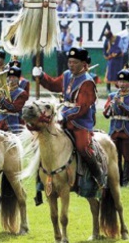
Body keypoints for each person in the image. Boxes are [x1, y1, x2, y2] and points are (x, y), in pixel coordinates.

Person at [32, 47, 104, 186]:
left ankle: (98, 174)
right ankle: (41, 179)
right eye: (69, 62)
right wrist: (41, 76)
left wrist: (63, 116)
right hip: (62, 117)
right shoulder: (66, 75)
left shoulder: (87, 82)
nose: (71, 65)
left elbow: (81, 108)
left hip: (80, 122)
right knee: (43, 139)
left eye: (74, 62)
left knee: (83, 147)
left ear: (83, 64)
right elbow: (53, 84)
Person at [103, 69, 129, 187]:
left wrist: (121, 104)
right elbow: (106, 114)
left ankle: (126, 181)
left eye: (125, 81)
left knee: (127, 157)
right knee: (115, 156)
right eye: (120, 81)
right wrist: (110, 106)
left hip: (127, 130)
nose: (122, 84)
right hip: (114, 130)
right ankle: (118, 179)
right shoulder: (112, 96)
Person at [0, 65, 28, 134]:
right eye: (9, 77)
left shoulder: (22, 93)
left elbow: (14, 108)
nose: (11, 79)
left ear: (18, 79)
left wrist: (2, 100)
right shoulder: (3, 89)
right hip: (0, 121)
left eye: (13, 77)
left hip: (13, 122)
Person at [103, 28, 123, 92]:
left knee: (118, 73)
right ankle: (108, 89)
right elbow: (104, 50)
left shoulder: (118, 38)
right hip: (111, 60)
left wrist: (117, 53)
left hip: (118, 59)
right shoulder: (107, 41)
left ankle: (119, 88)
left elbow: (122, 48)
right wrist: (107, 55)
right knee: (109, 73)